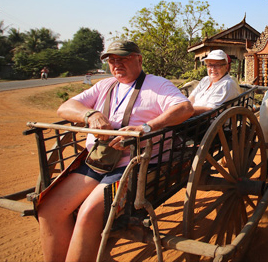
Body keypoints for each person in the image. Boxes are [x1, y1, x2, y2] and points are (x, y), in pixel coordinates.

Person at [37, 40, 194, 262]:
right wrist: (90, 115)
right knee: (49, 209)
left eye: (123, 58)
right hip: (98, 161)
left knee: (88, 214)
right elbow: (65, 107)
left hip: (137, 164)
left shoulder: (157, 84)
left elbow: (185, 108)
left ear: (139, 59)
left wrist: (145, 128)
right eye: (112, 60)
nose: (116, 64)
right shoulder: (104, 86)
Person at [188, 49, 240, 116]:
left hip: (204, 122)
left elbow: (211, 111)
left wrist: (186, 112)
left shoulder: (227, 84)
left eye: (217, 65)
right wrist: (182, 108)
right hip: (190, 116)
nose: (213, 68)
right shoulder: (205, 80)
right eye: (209, 65)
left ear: (226, 67)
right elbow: (191, 98)